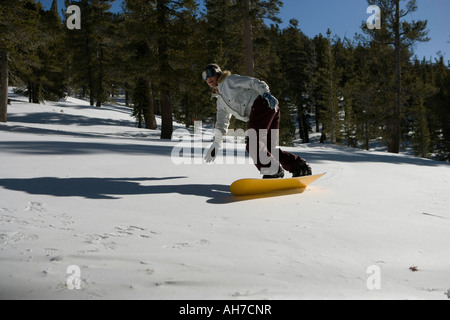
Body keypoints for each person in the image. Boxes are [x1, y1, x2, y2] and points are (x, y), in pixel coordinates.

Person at [203, 63, 312, 179]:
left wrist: (266, 93)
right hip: (265, 111)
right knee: (269, 148)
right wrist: (216, 144)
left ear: (218, 73)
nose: (208, 78)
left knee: (253, 144)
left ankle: (272, 170)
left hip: (263, 104)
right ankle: (299, 166)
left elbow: (253, 82)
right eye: (204, 76)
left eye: (210, 73)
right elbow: (221, 124)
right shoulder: (220, 102)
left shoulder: (229, 81)